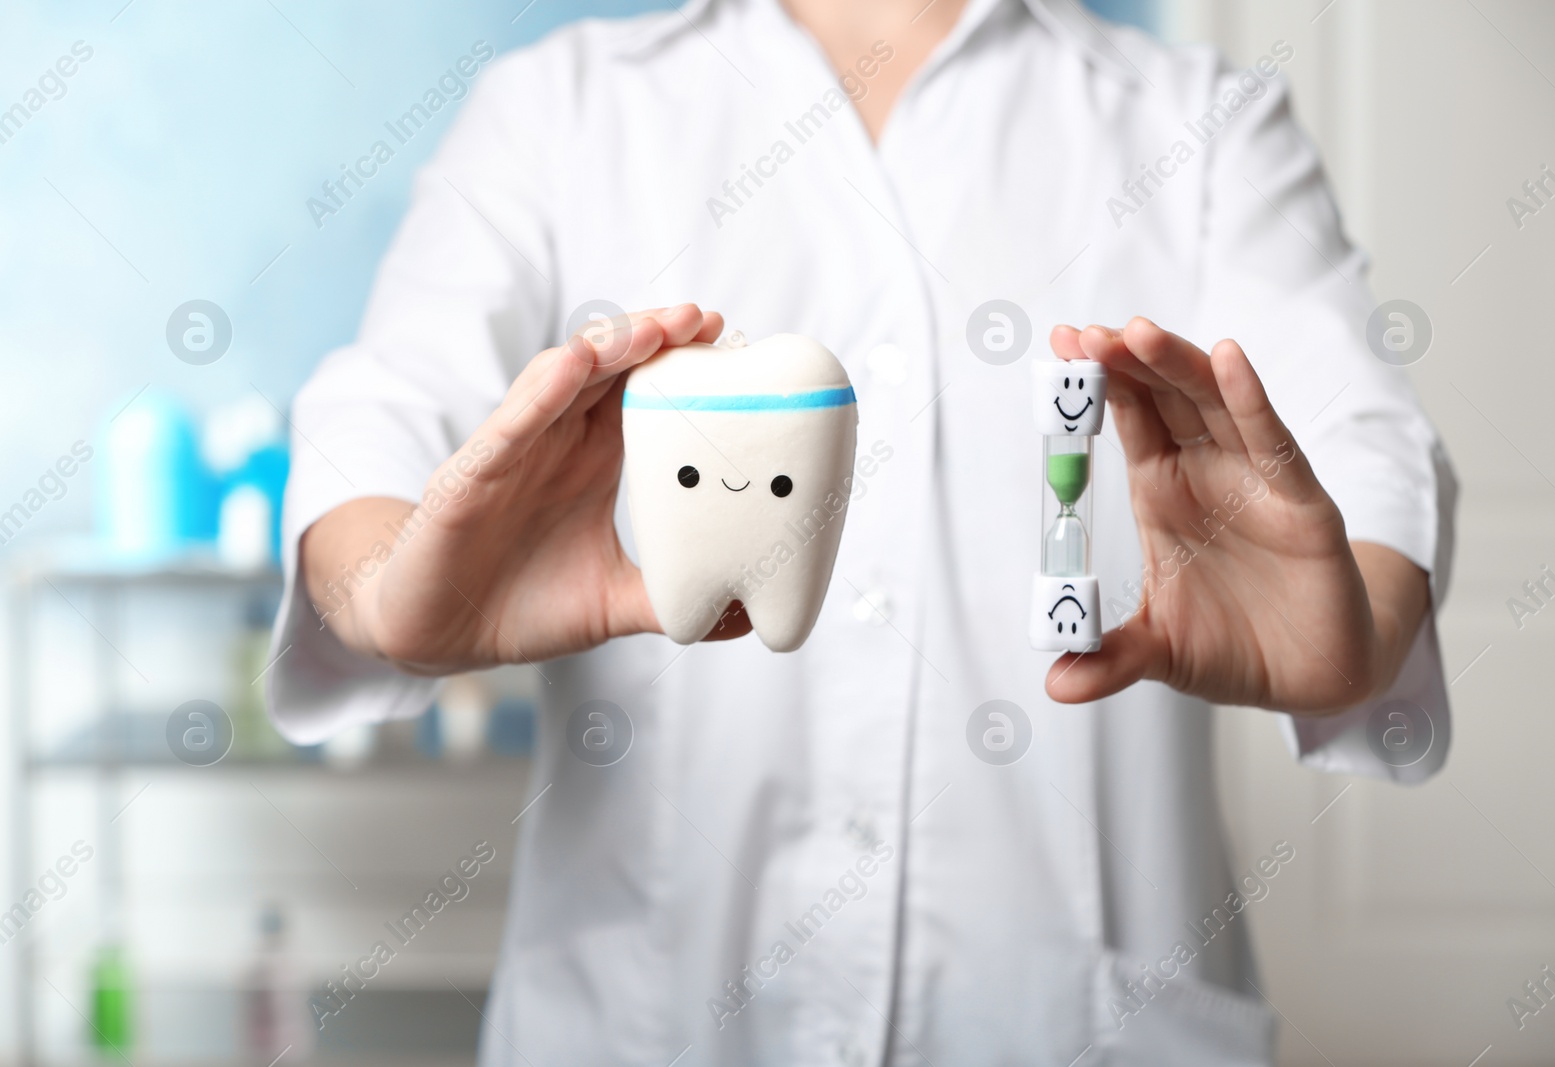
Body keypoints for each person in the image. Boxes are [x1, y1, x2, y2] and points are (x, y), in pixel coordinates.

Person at [267, 0, 1456, 1062]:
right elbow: (379, 413)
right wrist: (382, 588)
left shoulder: (1199, 119)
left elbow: (1364, 443)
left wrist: (1360, 618)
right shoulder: (562, 106)